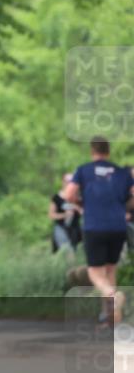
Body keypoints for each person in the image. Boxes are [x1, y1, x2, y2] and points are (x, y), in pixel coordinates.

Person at [64, 138, 134, 325]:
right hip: (118, 227)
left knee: (95, 272)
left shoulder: (84, 170)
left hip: (95, 226)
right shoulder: (122, 173)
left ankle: (113, 296)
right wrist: (122, 207)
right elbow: (132, 196)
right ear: (108, 152)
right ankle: (111, 316)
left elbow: (69, 194)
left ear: (92, 151)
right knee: (111, 269)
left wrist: (81, 203)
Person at [49, 173, 83, 259]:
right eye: (66, 181)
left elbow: (84, 213)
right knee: (66, 251)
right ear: (63, 182)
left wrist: (77, 208)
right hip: (61, 228)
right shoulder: (56, 198)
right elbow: (51, 215)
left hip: (75, 229)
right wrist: (64, 215)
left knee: (75, 252)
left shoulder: (79, 198)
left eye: (71, 181)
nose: (68, 183)